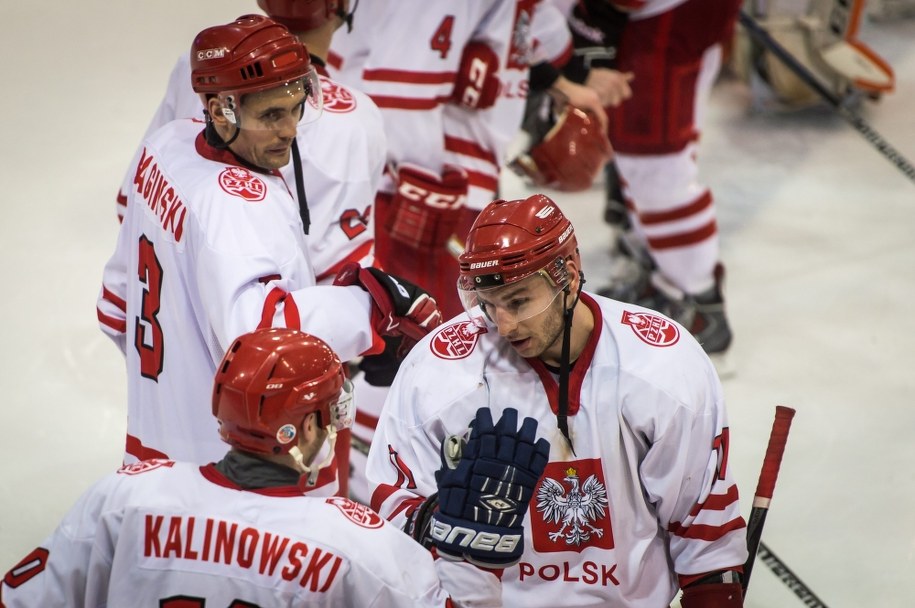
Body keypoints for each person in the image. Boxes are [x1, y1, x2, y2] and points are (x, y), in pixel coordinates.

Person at [96, 15, 441, 474]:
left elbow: (117, 301)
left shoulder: (167, 143)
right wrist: (372, 313)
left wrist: (168, 381)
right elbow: (262, 338)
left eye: (295, 106)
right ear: (220, 111)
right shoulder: (237, 205)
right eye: (271, 115)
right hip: (220, 464)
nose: (290, 129)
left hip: (151, 441)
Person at [366, 193, 749, 607]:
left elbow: (701, 523)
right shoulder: (440, 372)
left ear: (567, 273)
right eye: (489, 305)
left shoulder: (661, 365)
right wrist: (439, 517)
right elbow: (392, 512)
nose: (505, 324)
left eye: (518, 301)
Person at [0, 327, 546, 606]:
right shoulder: (359, 546)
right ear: (304, 429)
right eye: (330, 411)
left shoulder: (124, 498)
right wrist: (474, 561)